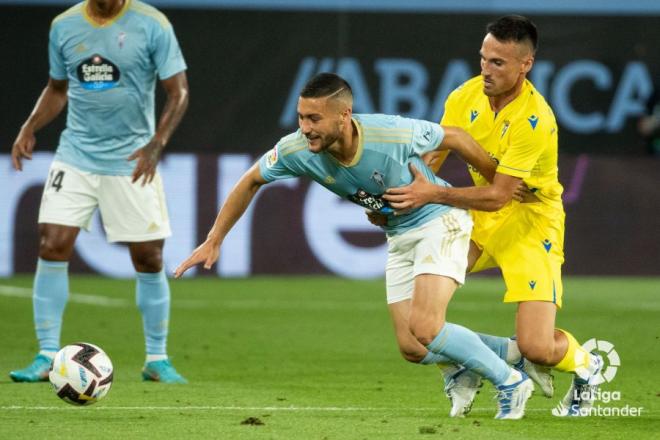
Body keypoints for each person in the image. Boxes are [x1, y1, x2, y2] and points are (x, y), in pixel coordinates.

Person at [174, 72, 534, 419]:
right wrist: (214, 238)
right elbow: (251, 180)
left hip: (440, 221)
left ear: (344, 115)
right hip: (398, 233)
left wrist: (497, 181)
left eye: (314, 118)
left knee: (426, 327)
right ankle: (504, 354)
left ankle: (510, 381)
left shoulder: (391, 133)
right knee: (412, 347)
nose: (305, 128)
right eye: (301, 117)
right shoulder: (297, 149)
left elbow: (454, 136)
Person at [380, 15, 604, 416]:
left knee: (539, 346)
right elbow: (431, 159)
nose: (485, 69)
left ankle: (587, 365)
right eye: (483, 58)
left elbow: (501, 196)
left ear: (525, 65)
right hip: (478, 218)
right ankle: (469, 363)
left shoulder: (536, 120)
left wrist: (432, 194)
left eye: (498, 62)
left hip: (532, 223)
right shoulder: (463, 97)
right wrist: (405, 193)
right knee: (417, 329)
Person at [10, 0, 189, 384]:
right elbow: (57, 88)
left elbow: (179, 92)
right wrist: (30, 126)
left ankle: (156, 358)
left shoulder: (152, 24)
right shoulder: (64, 25)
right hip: (76, 154)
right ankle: (45, 354)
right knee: (52, 243)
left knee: (148, 255)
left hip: (131, 157)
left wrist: (157, 142)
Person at [637, 83, 660, 156]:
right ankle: (655, 147)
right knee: (646, 125)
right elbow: (649, 108)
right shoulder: (658, 91)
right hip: (657, 118)